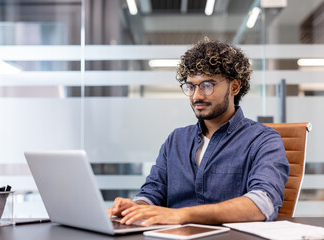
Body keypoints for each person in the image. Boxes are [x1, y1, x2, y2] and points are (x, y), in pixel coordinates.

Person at [107, 38, 289, 226]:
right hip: (172, 237)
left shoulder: (263, 140)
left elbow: (262, 204)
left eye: (207, 85)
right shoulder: (176, 140)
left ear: (234, 87)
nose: (197, 96)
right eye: (191, 86)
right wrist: (135, 207)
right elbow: (153, 193)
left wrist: (183, 215)